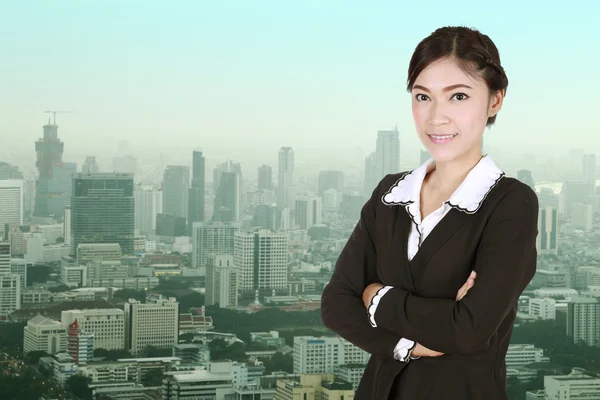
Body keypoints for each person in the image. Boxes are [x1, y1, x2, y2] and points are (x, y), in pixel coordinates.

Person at [320, 26, 539, 400]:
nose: (436, 117)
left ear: (495, 100)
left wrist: (376, 298)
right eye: (423, 96)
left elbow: (467, 330)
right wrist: (414, 344)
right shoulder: (391, 193)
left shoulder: (511, 204)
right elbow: (336, 305)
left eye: (458, 96)